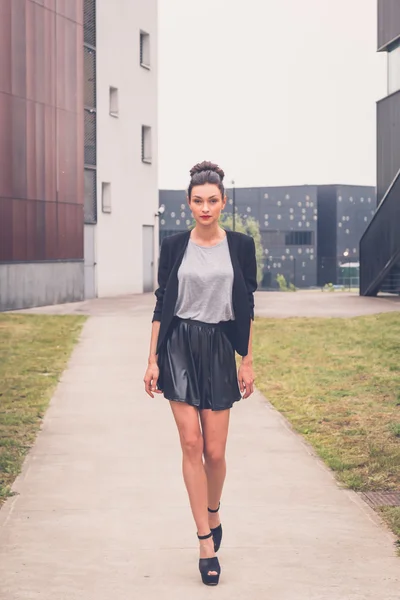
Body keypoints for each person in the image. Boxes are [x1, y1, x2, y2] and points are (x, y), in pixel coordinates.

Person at [143, 161, 257, 586]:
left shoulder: (241, 247)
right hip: (177, 347)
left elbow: (246, 306)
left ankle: (214, 508)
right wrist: (152, 359)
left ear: (223, 202)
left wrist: (246, 360)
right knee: (191, 443)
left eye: (212, 200)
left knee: (215, 453)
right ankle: (205, 541)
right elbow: (161, 305)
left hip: (218, 348)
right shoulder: (174, 247)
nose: (204, 207)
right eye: (197, 200)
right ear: (188, 203)